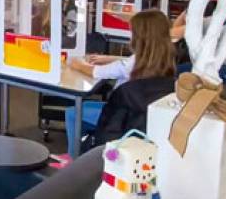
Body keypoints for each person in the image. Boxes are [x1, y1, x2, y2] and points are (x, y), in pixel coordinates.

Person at [64, 10, 176, 158]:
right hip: (140, 113)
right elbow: (128, 63)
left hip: (119, 114)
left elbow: (94, 72)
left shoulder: (130, 65)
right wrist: (109, 58)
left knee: (72, 113)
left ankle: (74, 159)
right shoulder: (165, 57)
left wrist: (75, 62)